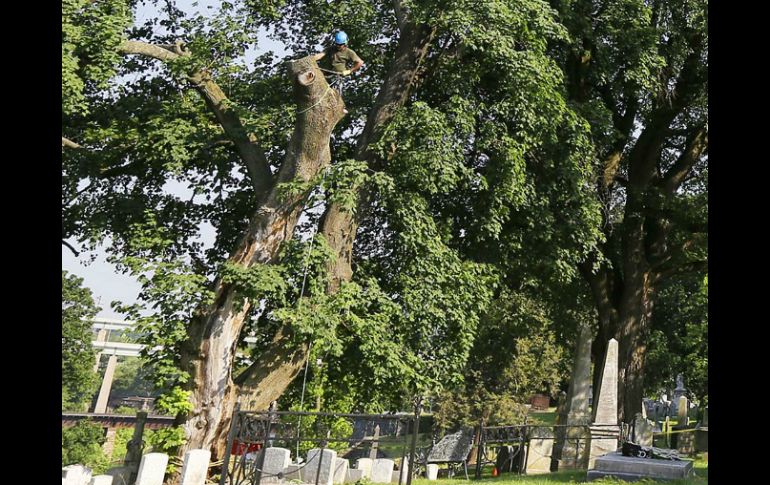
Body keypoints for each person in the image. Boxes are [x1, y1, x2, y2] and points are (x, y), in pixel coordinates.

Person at [313, 31, 364, 109]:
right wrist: (311, 59)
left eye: (340, 45)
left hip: (338, 76)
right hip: (327, 74)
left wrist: (350, 71)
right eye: (337, 44)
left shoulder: (349, 52)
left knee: (336, 93)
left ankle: (338, 107)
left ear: (345, 44)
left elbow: (360, 62)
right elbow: (321, 55)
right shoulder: (331, 49)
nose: (338, 46)